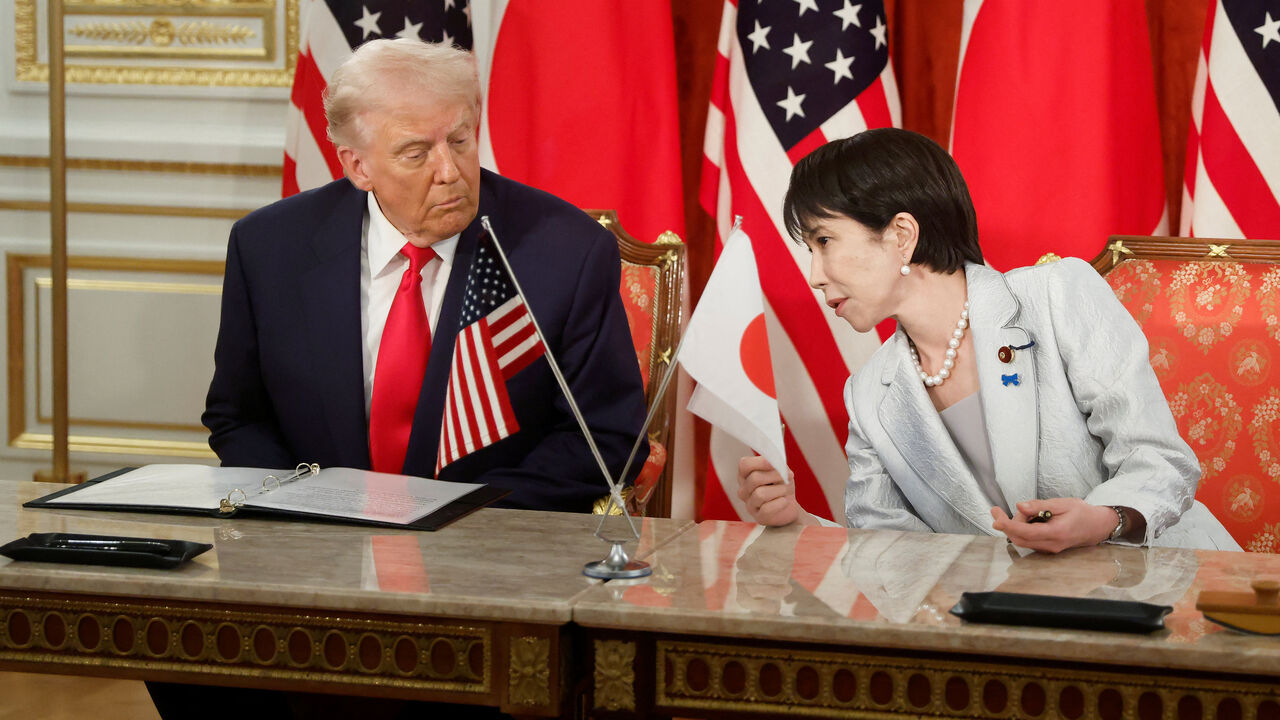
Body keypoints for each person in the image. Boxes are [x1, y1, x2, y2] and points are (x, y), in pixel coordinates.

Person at [737, 128, 1239, 553]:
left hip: (1168, 588)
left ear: (901, 235)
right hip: (1013, 621)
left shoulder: (1057, 294)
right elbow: (887, 551)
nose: (814, 275)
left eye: (824, 241)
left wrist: (1105, 518)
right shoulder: (868, 394)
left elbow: (1160, 459)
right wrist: (797, 523)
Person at [201, 38, 647, 512]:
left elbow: (604, 436)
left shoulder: (567, 252)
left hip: (484, 537)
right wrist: (304, 511)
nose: (449, 171)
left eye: (459, 141)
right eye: (416, 153)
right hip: (316, 537)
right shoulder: (269, 247)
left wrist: (461, 516)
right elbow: (240, 418)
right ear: (358, 166)